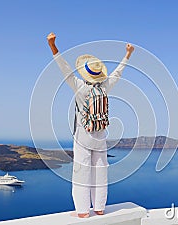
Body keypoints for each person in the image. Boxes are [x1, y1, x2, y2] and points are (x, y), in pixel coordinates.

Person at [47, 32, 134, 218]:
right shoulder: (105, 87)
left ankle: (83, 212)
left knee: (81, 173)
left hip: (82, 137)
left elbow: (64, 68)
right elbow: (118, 72)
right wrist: (128, 54)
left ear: (85, 73)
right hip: (100, 137)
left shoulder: (79, 86)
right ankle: (100, 207)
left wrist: (53, 46)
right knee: (101, 172)